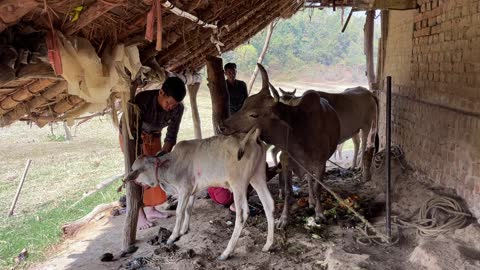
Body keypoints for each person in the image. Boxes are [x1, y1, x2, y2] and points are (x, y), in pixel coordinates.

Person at [120, 77, 186, 230]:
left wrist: (163, 155)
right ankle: (139, 215)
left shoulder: (178, 108)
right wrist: (138, 155)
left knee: (155, 172)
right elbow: (130, 131)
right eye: (168, 103)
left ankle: (151, 210)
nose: (170, 107)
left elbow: (172, 134)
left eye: (174, 105)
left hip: (154, 136)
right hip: (133, 137)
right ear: (161, 93)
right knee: (140, 175)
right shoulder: (142, 101)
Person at [208, 62, 248, 213]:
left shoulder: (242, 85)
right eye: (229, 72)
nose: (232, 73)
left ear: (236, 71)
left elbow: (246, 100)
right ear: (225, 73)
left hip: (240, 117)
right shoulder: (222, 86)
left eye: (233, 71)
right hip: (228, 119)